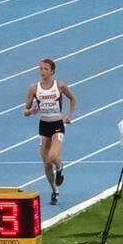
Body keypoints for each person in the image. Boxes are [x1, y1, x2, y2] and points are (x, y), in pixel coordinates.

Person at [23, 57, 76, 205]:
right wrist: (31, 111)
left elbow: (73, 99)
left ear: (52, 71)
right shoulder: (34, 88)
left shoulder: (59, 86)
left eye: (46, 69)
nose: (43, 71)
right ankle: (55, 191)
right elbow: (25, 110)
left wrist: (69, 116)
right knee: (46, 164)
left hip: (57, 125)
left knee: (53, 156)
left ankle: (60, 166)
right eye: (41, 68)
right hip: (43, 126)